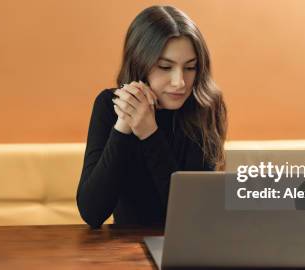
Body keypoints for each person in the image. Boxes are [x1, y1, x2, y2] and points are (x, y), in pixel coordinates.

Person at [77, 5, 227, 228]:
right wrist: (124, 125)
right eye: (165, 67)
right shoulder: (109, 106)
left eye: (190, 67)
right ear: (140, 64)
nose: (180, 82)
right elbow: (92, 212)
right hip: (124, 255)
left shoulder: (204, 108)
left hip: (187, 247)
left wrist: (149, 133)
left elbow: (194, 215)